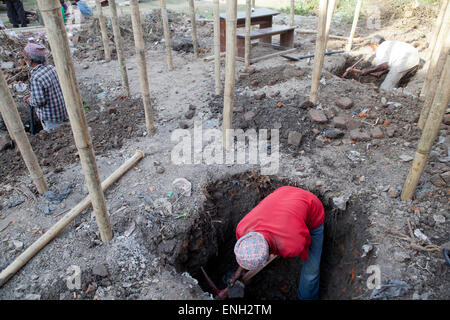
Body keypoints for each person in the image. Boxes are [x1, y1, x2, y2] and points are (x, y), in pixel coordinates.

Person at [230, 186, 325, 300]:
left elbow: (305, 243)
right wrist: (239, 271)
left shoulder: (292, 246)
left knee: (311, 271)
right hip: (283, 192)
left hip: (312, 206)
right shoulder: (242, 229)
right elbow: (250, 249)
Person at [23, 42, 68, 132]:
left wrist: (29, 100)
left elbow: (39, 101)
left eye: (25, 56)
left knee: (55, 137)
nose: (24, 58)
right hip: (63, 111)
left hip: (51, 118)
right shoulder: (52, 68)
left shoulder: (36, 77)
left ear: (30, 60)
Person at [354, 35, 420, 91]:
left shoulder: (381, 47)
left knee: (385, 89)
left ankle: (402, 95)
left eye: (372, 47)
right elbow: (390, 63)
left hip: (404, 62)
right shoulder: (390, 44)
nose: (373, 49)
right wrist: (382, 73)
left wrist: (367, 71)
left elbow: (384, 65)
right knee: (395, 81)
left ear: (376, 44)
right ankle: (397, 89)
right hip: (415, 59)